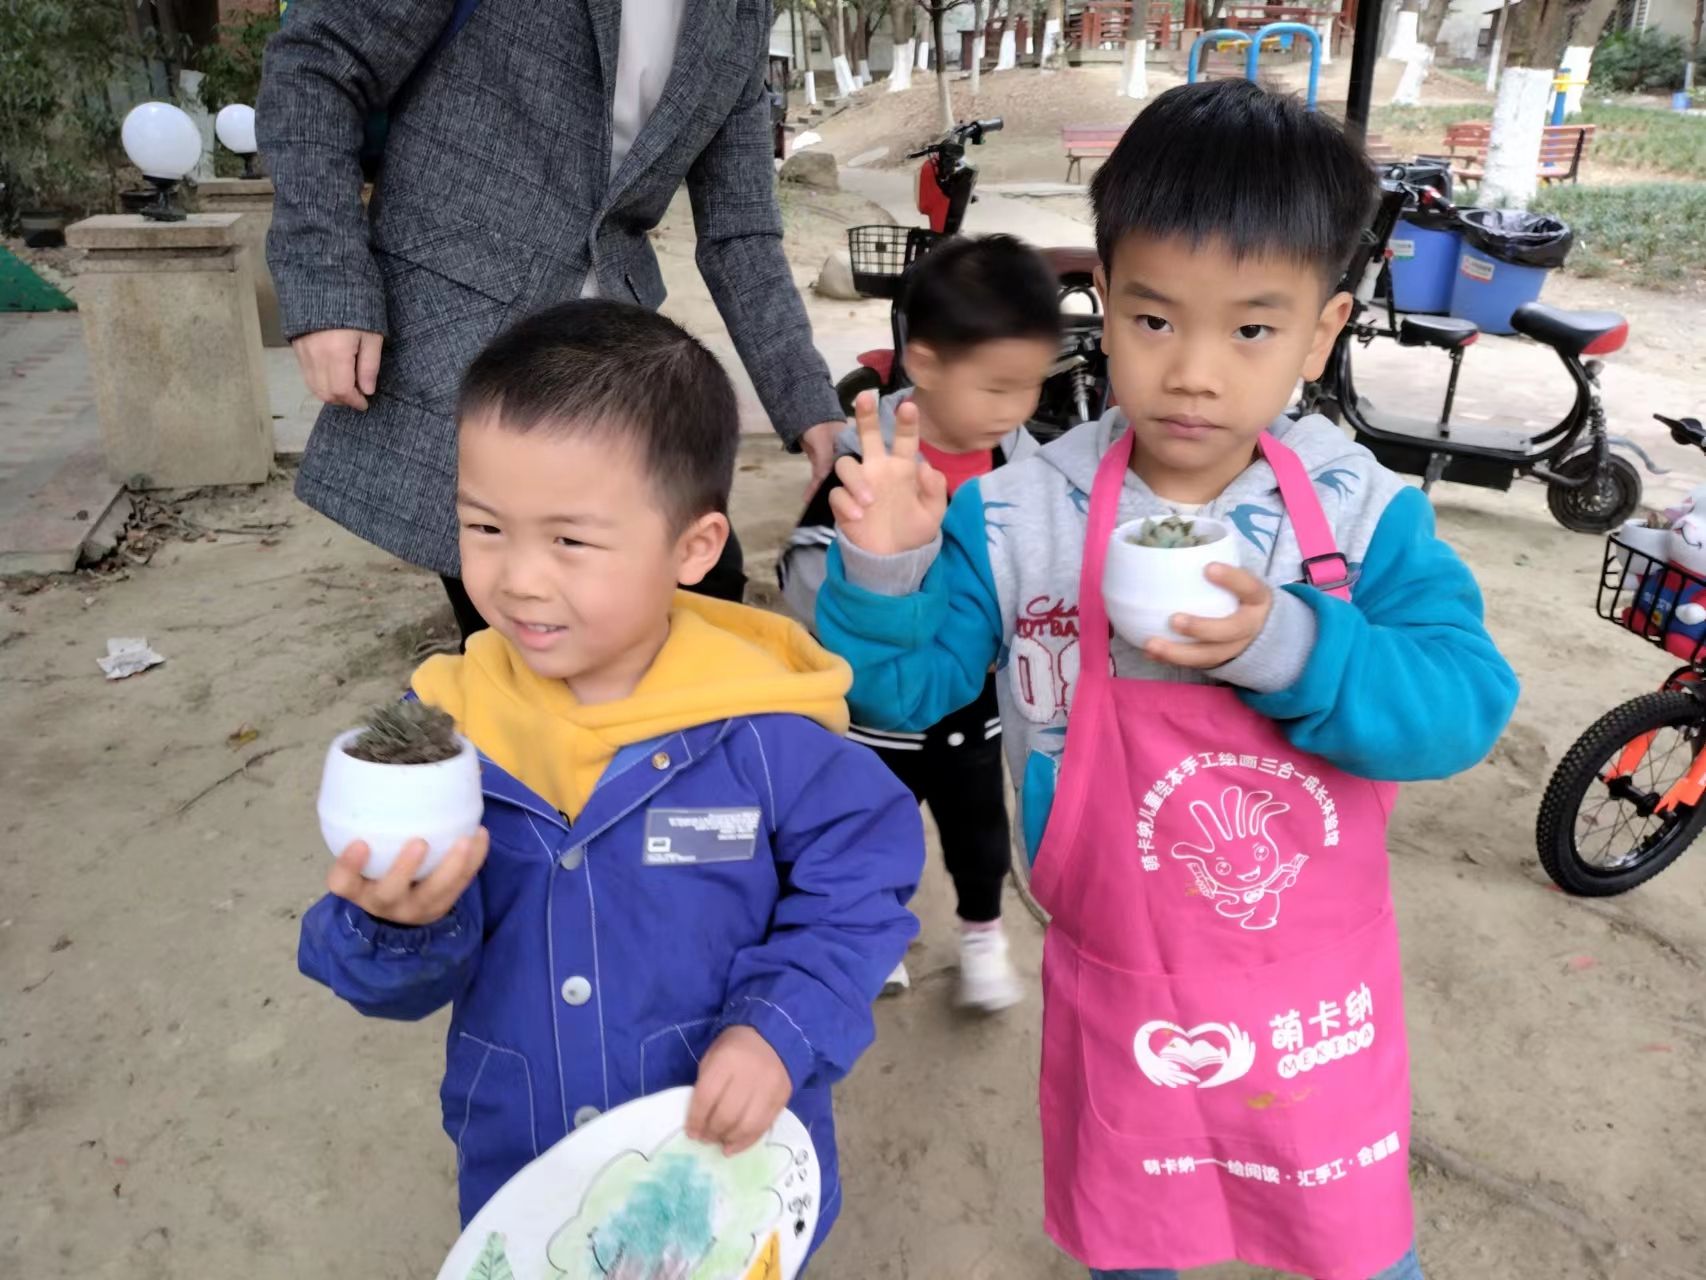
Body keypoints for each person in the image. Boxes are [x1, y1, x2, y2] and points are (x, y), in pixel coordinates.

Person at [815, 81, 1519, 1279]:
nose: (1192, 372)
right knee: (1135, 1239)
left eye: (1249, 330)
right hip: (1118, 971)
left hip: (1309, 990)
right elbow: (905, 693)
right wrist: (885, 567)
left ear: (1321, 331)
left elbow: (1460, 702)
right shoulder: (1017, 512)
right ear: (1103, 296)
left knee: (1352, 1246)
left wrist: (1289, 644)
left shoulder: (1361, 515)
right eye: (1152, 319)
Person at [296, 300, 924, 1253]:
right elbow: (394, 984)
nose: (518, 578)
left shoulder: (764, 729)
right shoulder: (449, 735)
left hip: (727, 1187)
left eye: (570, 540)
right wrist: (392, 924)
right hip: (530, 1185)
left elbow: (860, 893)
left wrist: (778, 1028)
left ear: (693, 548)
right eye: (485, 526)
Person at [257, 0, 848, 638]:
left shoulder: (741, 15)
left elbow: (740, 230)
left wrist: (809, 404)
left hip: (614, 364)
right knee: (524, 627)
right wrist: (329, 279)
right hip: (458, 343)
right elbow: (319, 61)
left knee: (703, 590)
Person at [779, 235, 1062, 1011]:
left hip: (975, 707)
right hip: (871, 716)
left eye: (1031, 387)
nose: (1017, 409)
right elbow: (809, 586)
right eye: (997, 387)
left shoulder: (1020, 470)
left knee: (980, 830)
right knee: (869, 832)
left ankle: (982, 932)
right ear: (925, 364)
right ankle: (878, 932)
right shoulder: (859, 471)